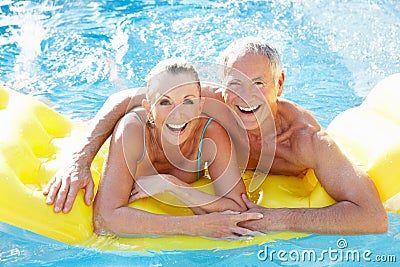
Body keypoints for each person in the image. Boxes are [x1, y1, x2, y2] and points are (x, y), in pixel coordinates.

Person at [44, 37, 388, 234]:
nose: (245, 96)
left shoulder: (306, 142)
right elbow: (122, 100)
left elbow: (373, 217)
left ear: (279, 84)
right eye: (235, 83)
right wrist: (79, 160)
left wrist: (280, 218)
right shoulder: (203, 99)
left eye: (259, 84)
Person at [92, 58, 264, 237]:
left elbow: (239, 209)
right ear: (149, 110)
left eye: (188, 101)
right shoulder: (132, 130)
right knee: (119, 84)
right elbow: (104, 219)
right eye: (165, 102)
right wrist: (196, 226)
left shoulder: (210, 134)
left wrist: (173, 186)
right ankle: (113, 71)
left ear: (200, 106)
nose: (177, 113)